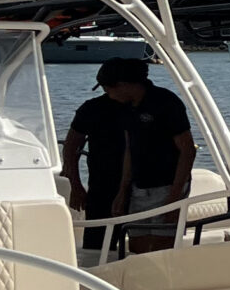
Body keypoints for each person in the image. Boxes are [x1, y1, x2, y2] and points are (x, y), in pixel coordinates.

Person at [61, 59, 194, 255]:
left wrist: (174, 199)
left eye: (108, 88)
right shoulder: (103, 108)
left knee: (159, 250)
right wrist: (79, 184)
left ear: (122, 85)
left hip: (160, 184)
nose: (108, 94)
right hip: (116, 186)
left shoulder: (162, 103)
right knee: (113, 247)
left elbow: (187, 149)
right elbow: (74, 145)